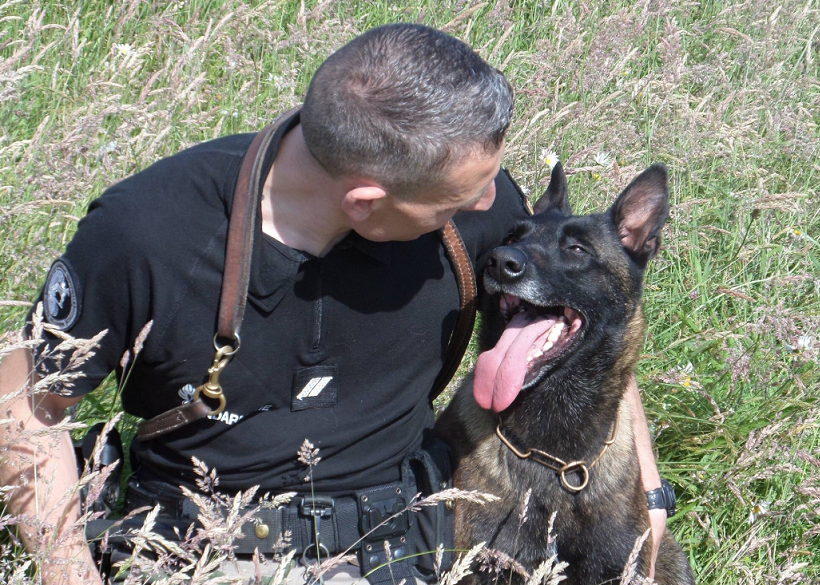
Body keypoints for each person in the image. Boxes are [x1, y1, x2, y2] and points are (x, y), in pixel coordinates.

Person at [0, 23, 669, 585]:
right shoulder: (148, 232)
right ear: (366, 204)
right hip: (209, 541)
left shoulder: (473, 204)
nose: (495, 206)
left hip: (410, 532)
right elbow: (24, 410)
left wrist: (648, 488)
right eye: (463, 199)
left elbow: (582, 322)